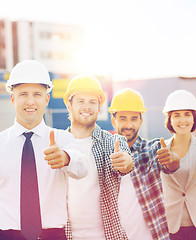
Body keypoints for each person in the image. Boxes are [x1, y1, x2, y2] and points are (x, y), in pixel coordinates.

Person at [0, 60, 87, 240]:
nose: (30, 101)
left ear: (46, 99)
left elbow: (82, 168)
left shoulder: (63, 140)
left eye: (37, 94)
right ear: (13, 98)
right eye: (23, 94)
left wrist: (66, 158)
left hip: (53, 236)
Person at [61, 75, 133, 240]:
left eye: (93, 102)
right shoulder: (59, 145)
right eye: (81, 101)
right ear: (68, 104)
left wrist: (124, 161)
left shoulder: (112, 141)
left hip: (108, 236)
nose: (87, 107)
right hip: (66, 236)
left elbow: (126, 161)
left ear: (100, 107)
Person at [109, 88, 179, 240]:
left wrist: (172, 159)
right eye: (123, 118)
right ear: (113, 120)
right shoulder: (105, 154)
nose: (128, 125)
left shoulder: (151, 150)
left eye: (134, 119)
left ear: (141, 121)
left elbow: (171, 164)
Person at [158, 90, 196, 240]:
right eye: (176, 115)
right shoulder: (161, 149)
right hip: (173, 226)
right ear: (170, 119)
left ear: (194, 118)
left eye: (187, 114)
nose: (182, 120)